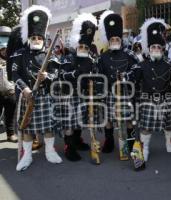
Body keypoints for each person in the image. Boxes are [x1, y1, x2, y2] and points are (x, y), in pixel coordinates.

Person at [12, 5, 62, 171]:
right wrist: (25, 89)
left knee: (48, 126)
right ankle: (27, 156)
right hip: (27, 95)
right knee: (27, 128)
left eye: (38, 37)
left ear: (43, 37)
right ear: (29, 37)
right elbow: (15, 75)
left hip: (44, 96)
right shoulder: (19, 54)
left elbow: (57, 76)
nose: (35, 39)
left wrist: (47, 77)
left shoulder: (51, 56)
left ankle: (50, 152)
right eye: (33, 37)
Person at [126, 18, 171, 162]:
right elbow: (132, 74)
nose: (155, 49)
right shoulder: (142, 65)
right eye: (153, 47)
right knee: (146, 126)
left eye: (158, 47)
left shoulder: (170, 63)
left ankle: (168, 142)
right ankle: (145, 148)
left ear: (163, 48)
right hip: (148, 99)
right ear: (149, 48)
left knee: (168, 124)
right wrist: (125, 76)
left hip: (166, 98)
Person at [97, 10, 139, 158]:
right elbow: (99, 74)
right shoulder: (102, 56)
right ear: (108, 40)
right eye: (112, 38)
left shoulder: (129, 53)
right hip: (109, 92)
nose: (115, 40)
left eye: (117, 38)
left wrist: (126, 76)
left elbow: (138, 68)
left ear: (120, 39)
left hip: (126, 92)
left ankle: (131, 142)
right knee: (108, 119)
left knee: (128, 119)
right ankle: (109, 142)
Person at [58, 13, 97, 161]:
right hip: (69, 94)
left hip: (85, 94)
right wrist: (75, 74)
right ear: (76, 44)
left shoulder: (91, 59)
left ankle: (77, 141)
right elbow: (61, 75)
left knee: (80, 121)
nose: (83, 48)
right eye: (80, 45)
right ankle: (69, 148)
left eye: (85, 46)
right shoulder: (68, 58)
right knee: (69, 122)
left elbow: (95, 75)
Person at [0, 26, 17, 142]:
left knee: (10, 115)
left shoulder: (14, 59)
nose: (5, 51)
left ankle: (10, 134)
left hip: (11, 92)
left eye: (6, 49)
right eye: (2, 49)